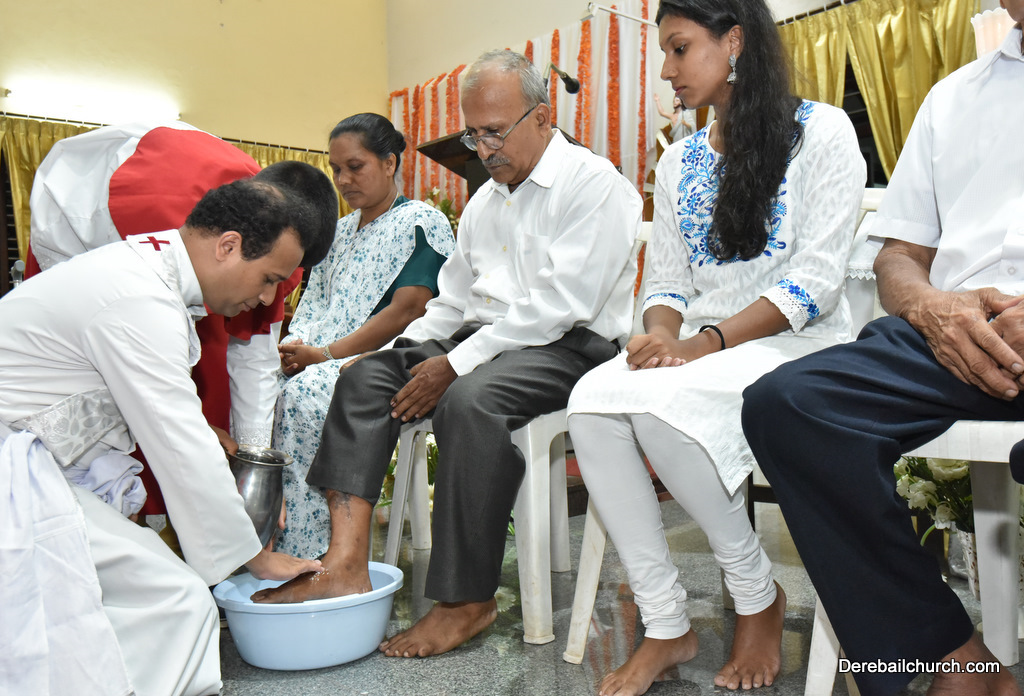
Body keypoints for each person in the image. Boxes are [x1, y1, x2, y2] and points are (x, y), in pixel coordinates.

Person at [252, 49, 642, 659]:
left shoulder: (594, 185)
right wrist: (399, 354)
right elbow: (452, 303)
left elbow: (560, 305)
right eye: (473, 134)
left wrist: (455, 364)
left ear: (543, 117)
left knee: (470, 400)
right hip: (485, 339)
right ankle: (346, 563)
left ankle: (466, 600)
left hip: (570, 344)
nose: (483, 148)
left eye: (495, 132)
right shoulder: (486, 202)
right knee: (363, 378)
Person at [566, 1, 865, 694]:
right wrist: (660, 334)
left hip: (799, 342)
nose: (666, 71)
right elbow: (668, 282)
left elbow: (816, 283)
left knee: (661, 407)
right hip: (704, 346)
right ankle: (667, 623)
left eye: (679, 49)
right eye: (664, 54)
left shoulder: (823, 132)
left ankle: (756, 597)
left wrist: (704, 344)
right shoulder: (680, 161)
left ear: (733, 41)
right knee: (591, 402)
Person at [741, 4, 1024, 695]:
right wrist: (931, 308)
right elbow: (899, 256)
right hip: (956, 332)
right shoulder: (953, 98)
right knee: (788, 406)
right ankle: (952, 660)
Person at [0, 175, 334, 696]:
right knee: (176, 601)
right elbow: (181, 449)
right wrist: (253, 556)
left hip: (31, 463)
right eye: (269, 278)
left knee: (116, 605)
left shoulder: (143, 270)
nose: (268, 296)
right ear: (228, 246)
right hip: (14, 475)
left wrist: (203, 430)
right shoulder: (140, 297)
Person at [273, 113, 454, 559]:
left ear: (389, 163)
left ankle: (317, 554)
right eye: (336, 169)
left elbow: (409, 309)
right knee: (258, 390)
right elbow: (314, 302)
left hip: (382, 360)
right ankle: (264, 541)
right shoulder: (337, 233)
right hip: (319, 354)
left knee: (302, 398)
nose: (343, 180)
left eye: (355, 167)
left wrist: (324, 355)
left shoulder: (420, 221)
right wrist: (296, 347)